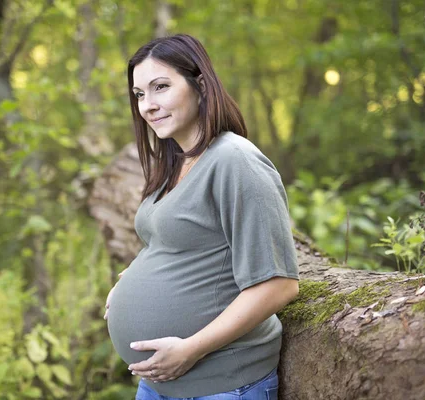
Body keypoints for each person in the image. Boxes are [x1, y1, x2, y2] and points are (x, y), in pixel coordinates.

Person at [104, 34, 299, 400]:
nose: (148, 105)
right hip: (160, 383)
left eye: (160, 87)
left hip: (222, 384)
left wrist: (190, 350)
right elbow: (174, 242)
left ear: (201, 85)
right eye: (140, 94)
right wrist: (129, 280)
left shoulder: (234, 160)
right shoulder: (175, 162)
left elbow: (280, 285)